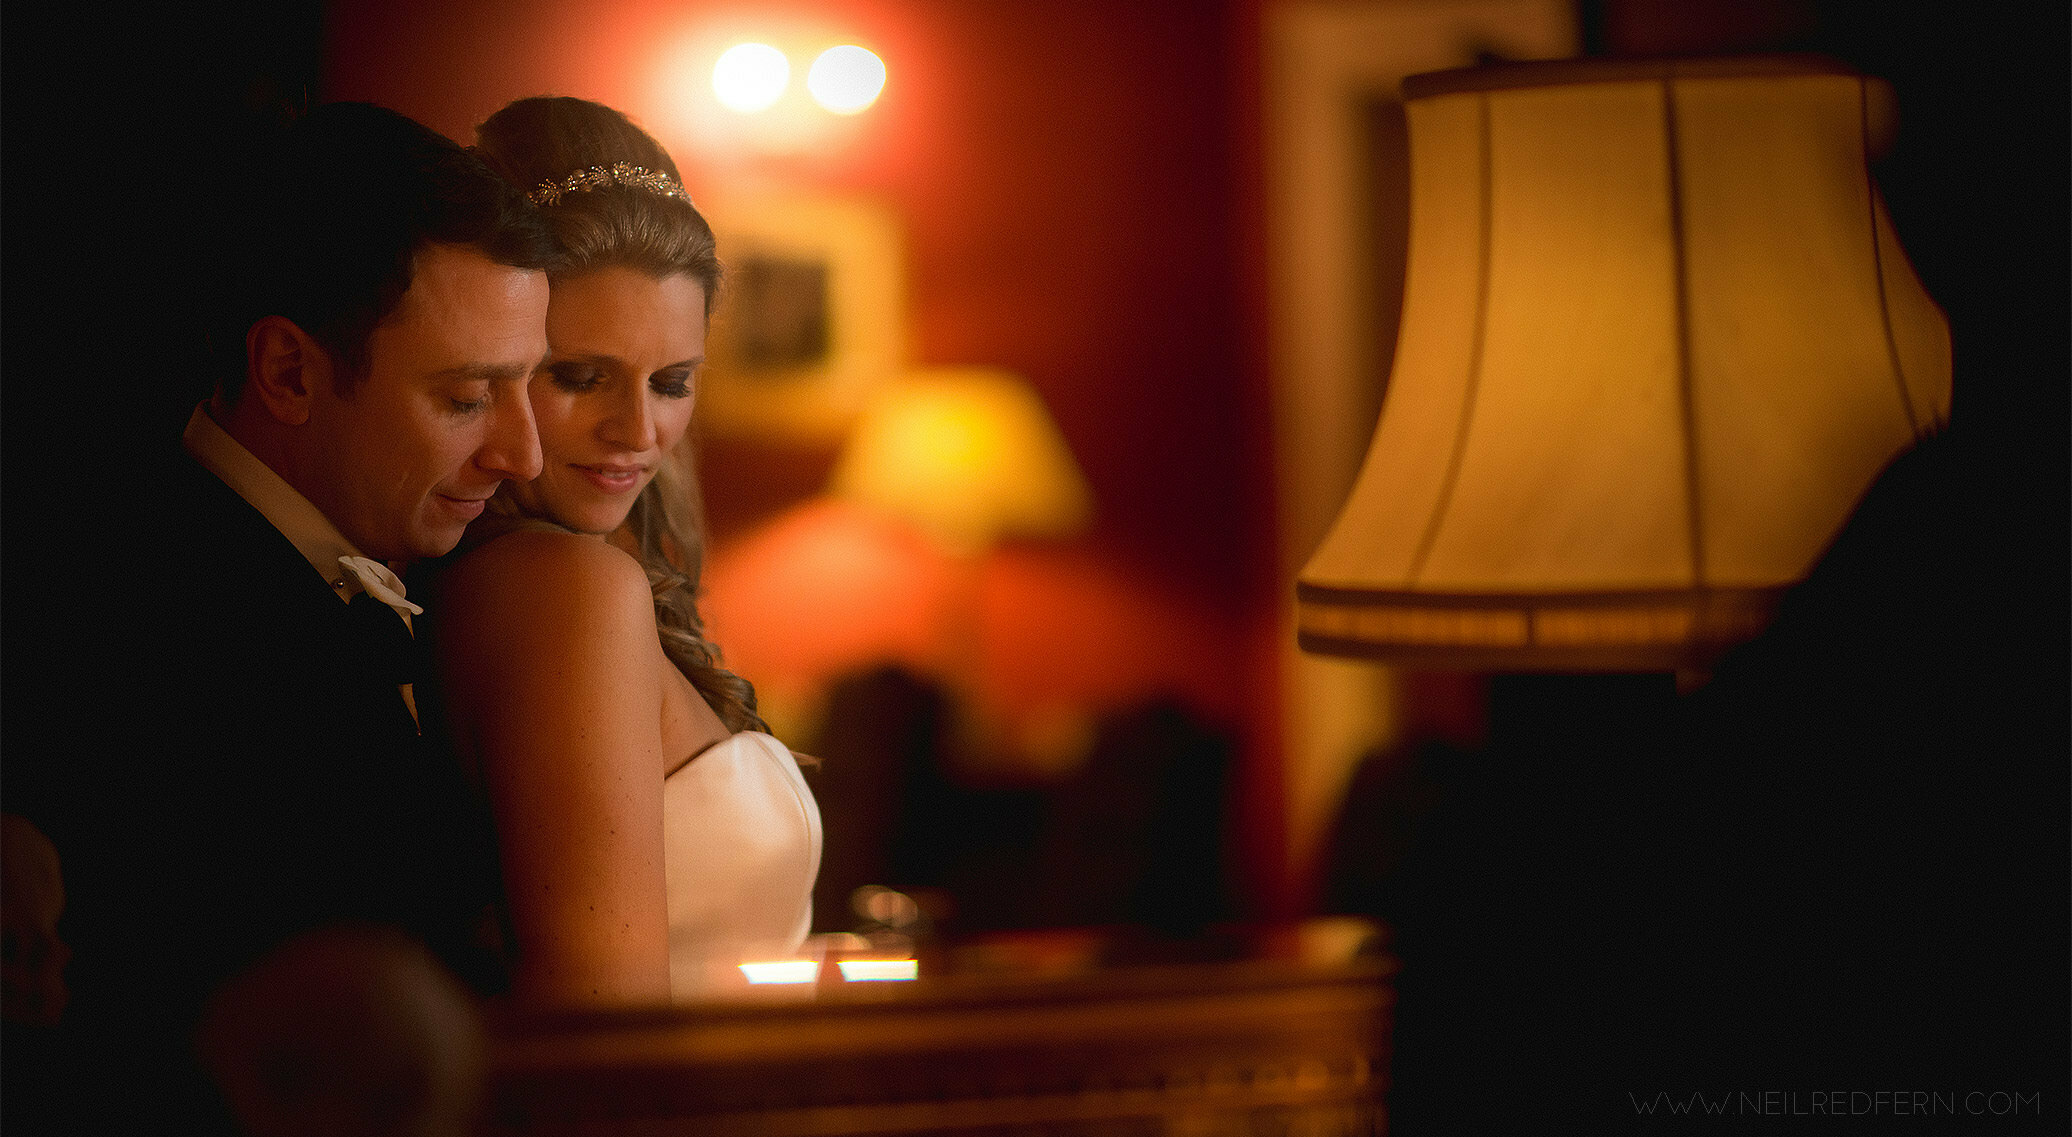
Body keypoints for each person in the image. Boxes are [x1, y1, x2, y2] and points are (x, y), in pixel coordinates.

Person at [14, 101, 556, 1130]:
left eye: (530, 383)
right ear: (289, 372)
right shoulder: (151, 632)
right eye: (466, 397)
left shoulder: (336, 579)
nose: (522, 453)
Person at [418, 96, 821, 1007]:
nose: (638, 431)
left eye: (671, 382)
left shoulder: (546, 574)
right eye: (580, 376)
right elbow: (603, 1026)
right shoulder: (562, 587)